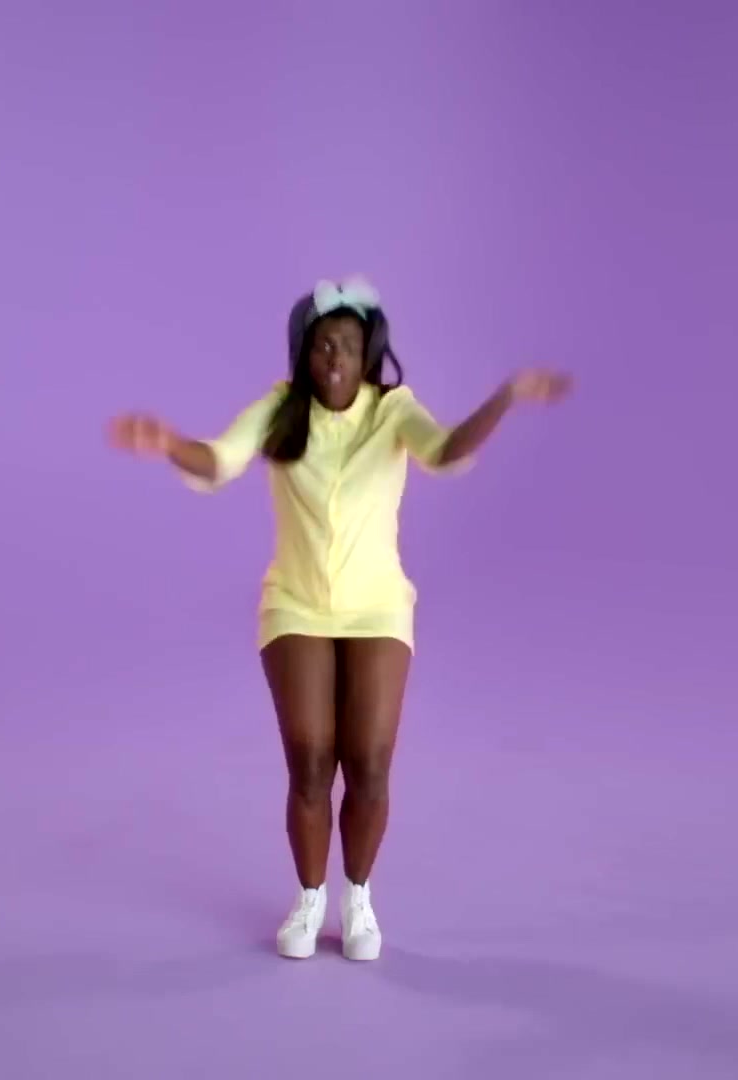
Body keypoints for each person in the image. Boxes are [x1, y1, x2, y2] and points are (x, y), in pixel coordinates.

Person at [107, 276, 571, 960]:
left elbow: (445, 450)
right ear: (305, 350)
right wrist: (170, 442)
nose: (335, 358)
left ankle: (358, 898)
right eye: (324, 344)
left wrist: (505, 397)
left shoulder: (394, 410)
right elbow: (220, 458)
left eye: (349, 346)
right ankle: (309, 898)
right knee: (311, 760)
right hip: (295, 604)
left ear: (367, 355)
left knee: (371, 764)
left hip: (377, 606)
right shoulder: (280, 408)